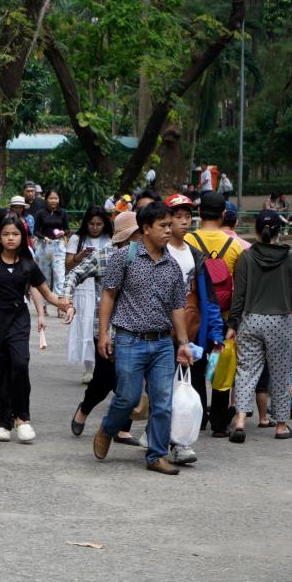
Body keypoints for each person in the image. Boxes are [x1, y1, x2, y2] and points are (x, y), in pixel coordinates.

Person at [92, 201, 194, 475]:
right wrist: (104, 334)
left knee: (162, 401)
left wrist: (183, 344)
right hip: (129, 339)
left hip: (162, 343)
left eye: (170, 226)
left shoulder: (172, 266)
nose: (169, 231)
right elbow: (109, 295)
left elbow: (177, 307)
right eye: (163, 226)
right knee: (128, 397)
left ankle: (156, 455)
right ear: (146, 229)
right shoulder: (124, 257)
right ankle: (107, 429)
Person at [0, 216, 63, 443]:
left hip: (18, 318)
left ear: (22, 237)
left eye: (15, 234)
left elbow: (46, 293)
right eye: (5, 234)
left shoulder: (28, 264)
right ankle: (4, 422)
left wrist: (63, 303)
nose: (10, 238)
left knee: (19, 364)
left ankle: (22, 419)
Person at [60, 212, 143, 445]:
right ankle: (84, 410)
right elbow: (74, 273)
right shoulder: (105, 255)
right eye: (139, 233)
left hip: (136, 329)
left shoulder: (149, 257)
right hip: (107, 329)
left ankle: (122, 429)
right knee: (103, 381)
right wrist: (65, 299)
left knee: (131, 381)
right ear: (129, 236)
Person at [163, 193, 225, 465]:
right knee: (162, 387)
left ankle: (179, 442)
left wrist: (216, 333)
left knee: (185, 386)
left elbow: (208, 297)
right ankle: (159, 436)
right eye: (178, 217)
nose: (184, 222)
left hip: (190, 330)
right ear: (166, 220)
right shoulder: (157, 251)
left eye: (188, 217)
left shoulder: (196, 255)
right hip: (161, 331)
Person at [225, 210, 292, 442]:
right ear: (279, 230)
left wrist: (232, 323)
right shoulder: (290, 257)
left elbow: (239, 295)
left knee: (245, 371)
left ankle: (241, 420)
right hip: (281, 320)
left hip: (250, 319)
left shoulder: (246, 257)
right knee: (280, 373)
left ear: (255, 230)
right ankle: (281, 425)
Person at [185, 191, 243, 437]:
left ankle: (198, 417)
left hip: (195, 315)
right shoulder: (235, 245)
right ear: (223, 215)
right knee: (222, 366)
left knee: (195, 366)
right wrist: (234, 321)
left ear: (198, 212)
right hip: (224, 315)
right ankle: (219, 423)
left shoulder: (187, 240)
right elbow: (239, 287)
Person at [63, 206, 113, 384]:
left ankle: (102, 366)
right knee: (85, 326)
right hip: (83, 288)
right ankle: (89, 368)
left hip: (103, 289)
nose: (95, 227)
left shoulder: (110, 239)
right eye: (91, 223)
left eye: (99, 224)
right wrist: (79, 256)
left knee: (102, 326)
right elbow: (67, 266)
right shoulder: (77, 239)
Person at [34, 189, 70, 297]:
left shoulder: (63, 213)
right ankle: (43, 304)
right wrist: (43, 237)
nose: (53, 201)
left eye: (56, 198)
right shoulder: (40, 213)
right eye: (51, 198)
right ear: (46, 199)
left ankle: (59, 304)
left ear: (58, 200)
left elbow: (67, 229)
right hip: (44, 246)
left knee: (59, 275)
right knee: (44, 276)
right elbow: (35, 231)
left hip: (59, 246)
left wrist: (63, 232)